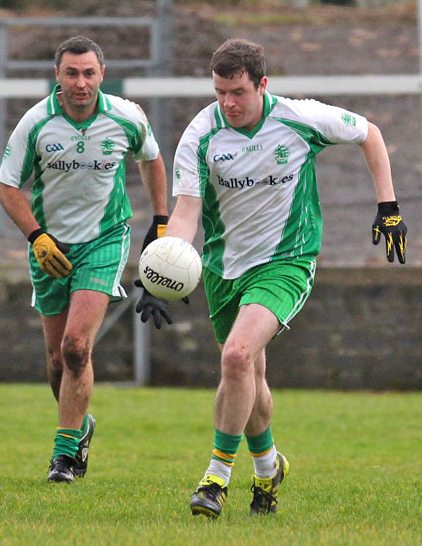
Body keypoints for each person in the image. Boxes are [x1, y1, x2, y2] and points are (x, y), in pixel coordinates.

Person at [162, 38, 407, 518]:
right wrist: (164, 268)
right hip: (222, 267)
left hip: (286, 262)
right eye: (219, 93)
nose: (228, 103)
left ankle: (215, 478)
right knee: (248, 376)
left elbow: (369, 133)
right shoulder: (200, 135)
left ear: (262, 85)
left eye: (237, 92)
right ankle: (269, 468)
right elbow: (187, 212)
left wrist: (388, 206)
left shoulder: (299, 118)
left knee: (235, 357)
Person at [0, 35, 171, 482]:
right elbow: (7, 187)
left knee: (77, 347)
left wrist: (160, 220)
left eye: (89, 73)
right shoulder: (36, 123)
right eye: (71, 73)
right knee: (57, 360)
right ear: (57, 76)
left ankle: (63, 458)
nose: (81, 82)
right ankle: (81, 428)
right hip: (50, 248)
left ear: (102, 75)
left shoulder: (126, 117)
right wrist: (36, 236)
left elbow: (151, 160)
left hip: (104, 240)